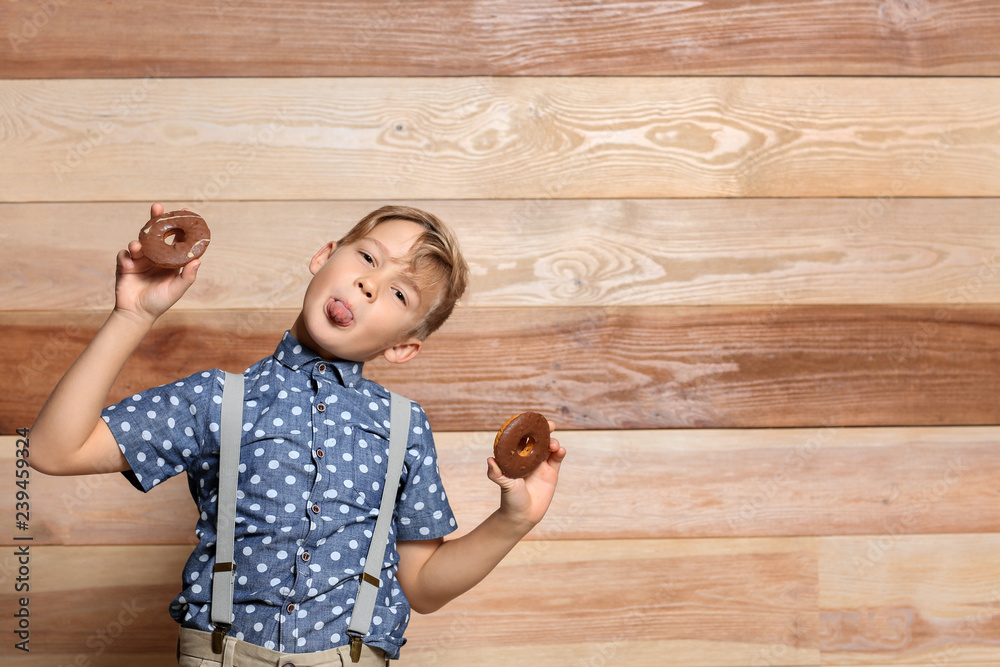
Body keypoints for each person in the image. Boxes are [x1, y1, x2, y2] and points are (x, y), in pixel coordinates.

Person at [30, 203, 566, 665]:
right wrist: (132, 314)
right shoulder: (218, 399)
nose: (369, 284)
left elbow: (422, 588)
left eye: (399, 295)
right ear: (324, 256)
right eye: (367, 258)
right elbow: (54, 450)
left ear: (403, 346)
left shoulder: (405, 427)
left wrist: (512, 520)